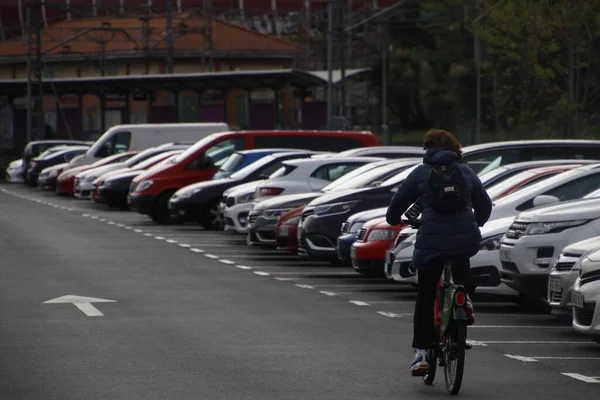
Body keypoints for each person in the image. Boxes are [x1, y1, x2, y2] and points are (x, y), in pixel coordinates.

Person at [385, 129, 492, 376]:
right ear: (456, 149)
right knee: (462, 273)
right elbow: (484, 203)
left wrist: (394, 219)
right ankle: (464, 306)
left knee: (425, 295)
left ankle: (421, 354)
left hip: (431, 242)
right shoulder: (466, 172)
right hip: (464, 238)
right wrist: (477, 221)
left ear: (428, 149)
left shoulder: (421, 173)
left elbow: (398, 202)